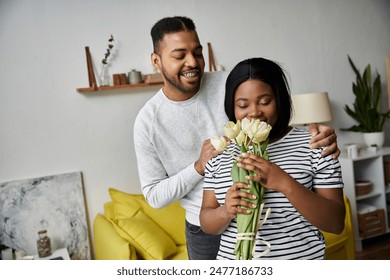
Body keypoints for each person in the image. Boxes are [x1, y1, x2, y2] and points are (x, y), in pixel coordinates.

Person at [133, 16, 340, 260]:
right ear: (156, 61)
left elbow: (268, 113)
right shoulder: (147, 122)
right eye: (179, 55)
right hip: (207, 226)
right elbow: (154, 196)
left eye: (198, 53)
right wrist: (200, 168)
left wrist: (314, 131)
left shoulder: (229, 82)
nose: (192, 62)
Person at [199, 57, 345, 260]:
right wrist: (226, 211)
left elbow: (336, 223)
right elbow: (207, 223)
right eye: (243, 105)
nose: (254, 112)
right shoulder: (221, 152)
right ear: (232, 108)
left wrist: (284, 182)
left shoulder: (316, 144)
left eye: (265, 102)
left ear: (280, 99)